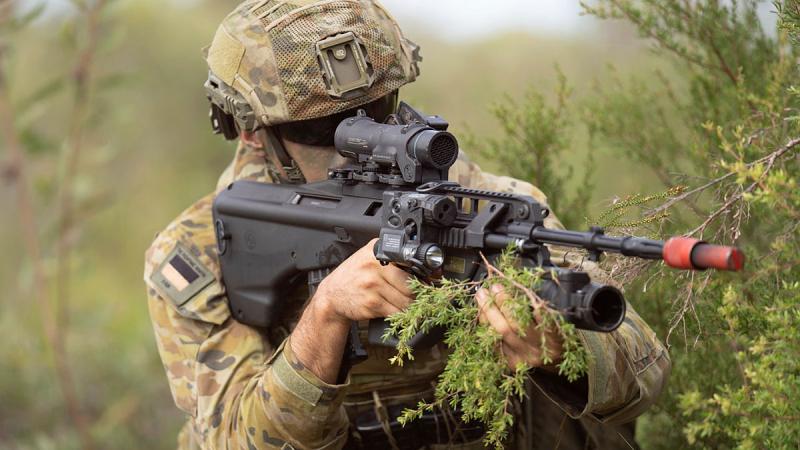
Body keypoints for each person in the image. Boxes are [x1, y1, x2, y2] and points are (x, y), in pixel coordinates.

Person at [144, 1, 671, 448]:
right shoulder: (199, 253)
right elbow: (235, 437)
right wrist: (324, 318)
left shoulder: (487, 207)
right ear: (250, 131)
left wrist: (562, 350)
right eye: (325, 127)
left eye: (379, 108)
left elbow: (646, 371)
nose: (362, 136)